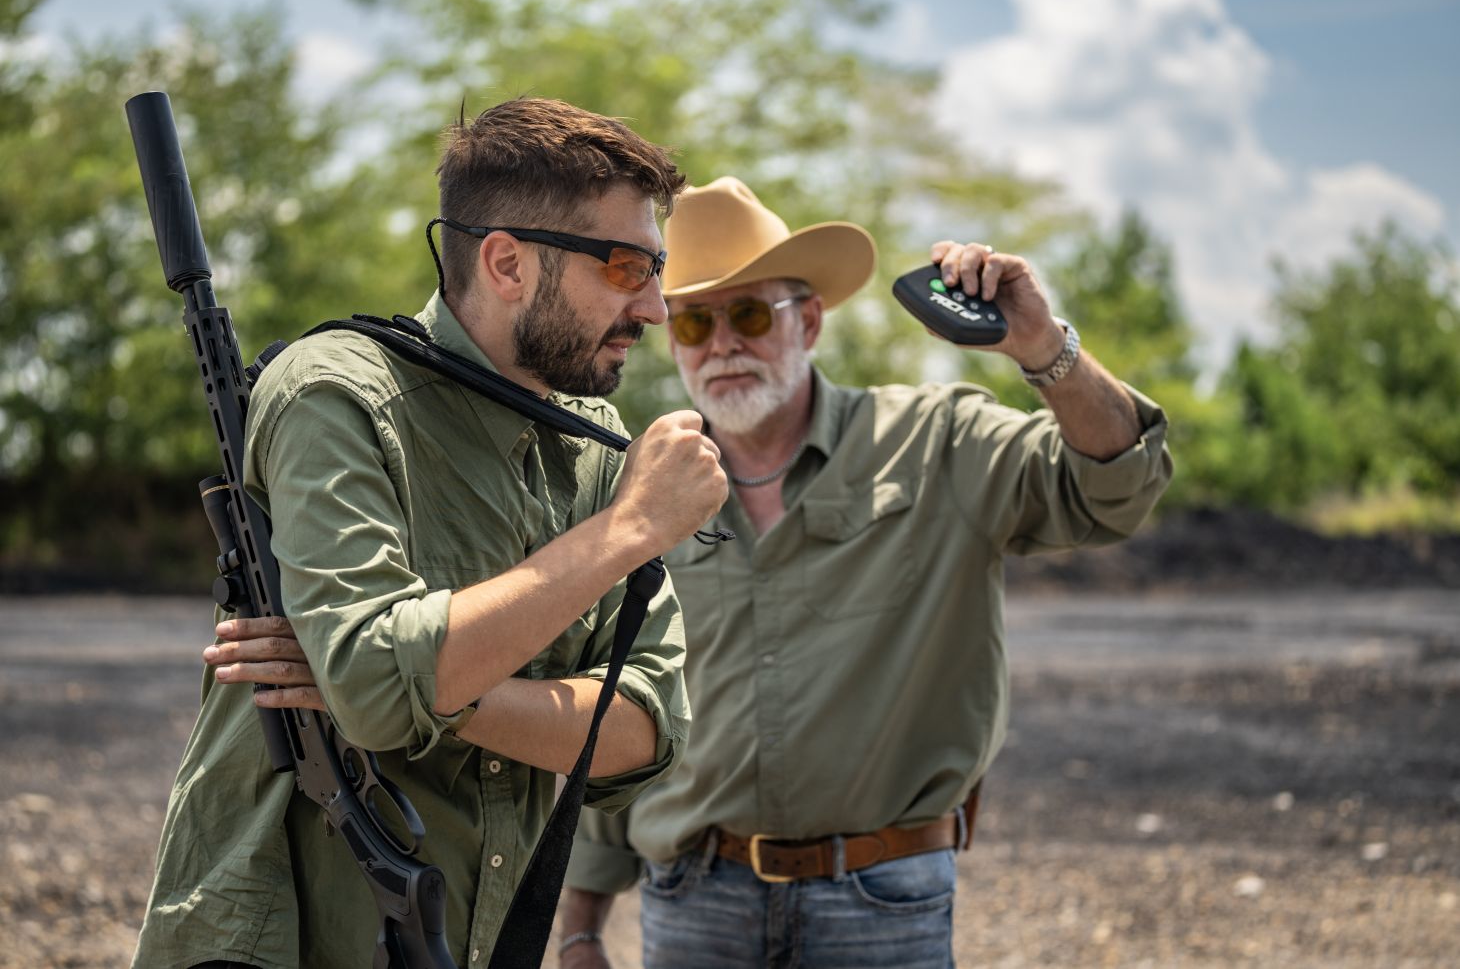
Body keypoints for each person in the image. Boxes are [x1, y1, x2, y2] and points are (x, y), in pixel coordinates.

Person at [213, 176, 1173, 968]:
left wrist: (1042, 348)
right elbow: (598, 702)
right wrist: (581, 924)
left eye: (750, 312)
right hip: (691, 897)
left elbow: (1117, 490)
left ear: (810, 321)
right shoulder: (639, 480)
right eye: (693, 321)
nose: (723, 344)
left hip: (882, 896)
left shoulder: (937, 439)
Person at [131, 98, 727, 969]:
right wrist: (628, 531)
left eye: (656, 268)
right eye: (627, 267)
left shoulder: (595, 448)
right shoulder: (334, 393)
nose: (657, 308)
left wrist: (438, 688)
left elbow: (645, 729)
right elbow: (376, 684)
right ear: (507, 262)